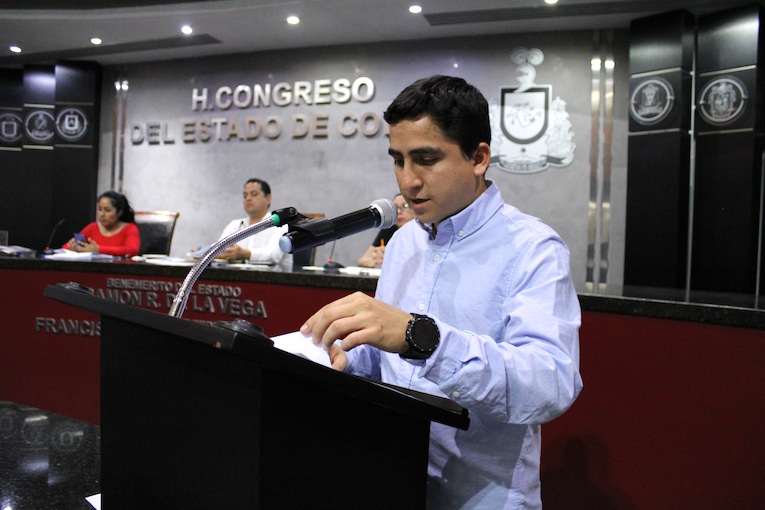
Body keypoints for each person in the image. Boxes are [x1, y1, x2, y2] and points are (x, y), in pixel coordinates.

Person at [301, 75, 582, 509]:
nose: (407, 181)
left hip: (480, 498)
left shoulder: (533, 248)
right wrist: (348, 356)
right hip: (394, 482)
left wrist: (422, 338)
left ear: (479, 158)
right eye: (398, 160)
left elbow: (550, 384)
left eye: (426, 159)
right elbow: (391, 360)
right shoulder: (403, 242)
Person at [217, 178, 292, 271]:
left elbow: (273, 255)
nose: (248, 198)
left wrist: (245, 254)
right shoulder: (235, 225)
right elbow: (218, 249)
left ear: (268, 198)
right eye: (245, 195)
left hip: (272, 277)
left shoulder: (280, 225)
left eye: (254, 194)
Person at [65, 191, 141, 257]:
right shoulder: (92, 227)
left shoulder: (130, 228)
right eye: (99, 209)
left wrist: (98, 250)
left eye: (107, 210)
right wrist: (75, 248)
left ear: (119, 212)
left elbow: (132, 250)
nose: (102, 214)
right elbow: (65, 247)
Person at [357, 193, 414, 268]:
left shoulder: (422, 232)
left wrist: (391, 255)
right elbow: (362, 261)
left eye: (405, 206)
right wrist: (376, 260)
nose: (399, 211)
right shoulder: (388, 230)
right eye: (395, 208)